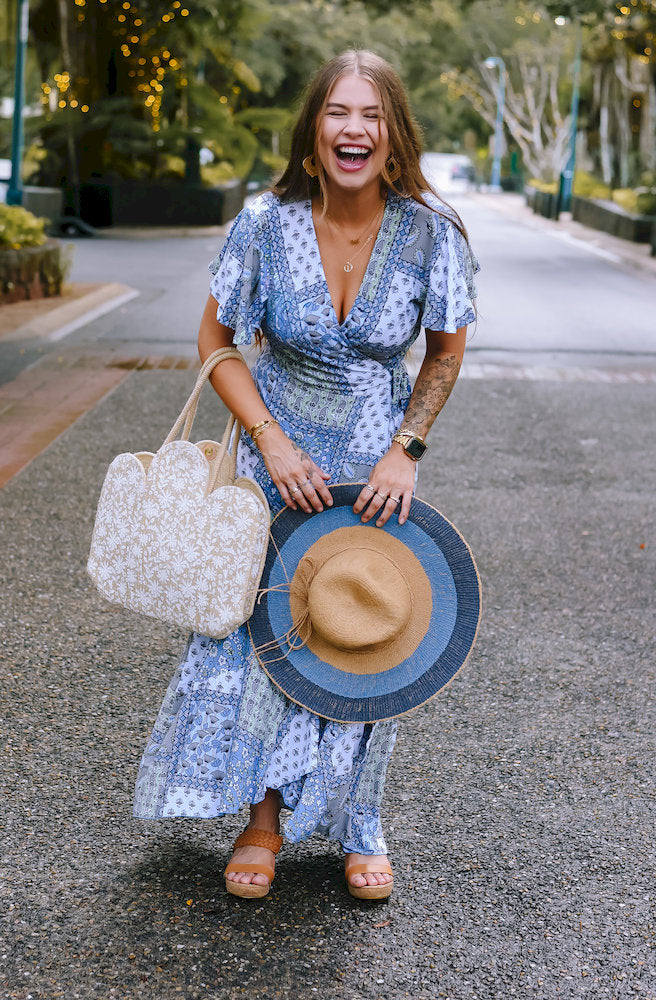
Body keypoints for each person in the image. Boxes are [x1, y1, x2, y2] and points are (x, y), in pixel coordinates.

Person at [134, 49, 478, 901]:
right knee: (260, 640)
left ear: (393, 134)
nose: (353, 130)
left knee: (363, 637)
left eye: (370, 116)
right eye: (337, 114)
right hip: (272, 457)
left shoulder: (433, 231)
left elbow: (445, 351)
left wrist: (409, 448)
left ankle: (361, 819)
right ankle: (262, 820)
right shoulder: (262, 220)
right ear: (314, 130)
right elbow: (216, 342)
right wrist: (271, 440)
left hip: (375, 466)